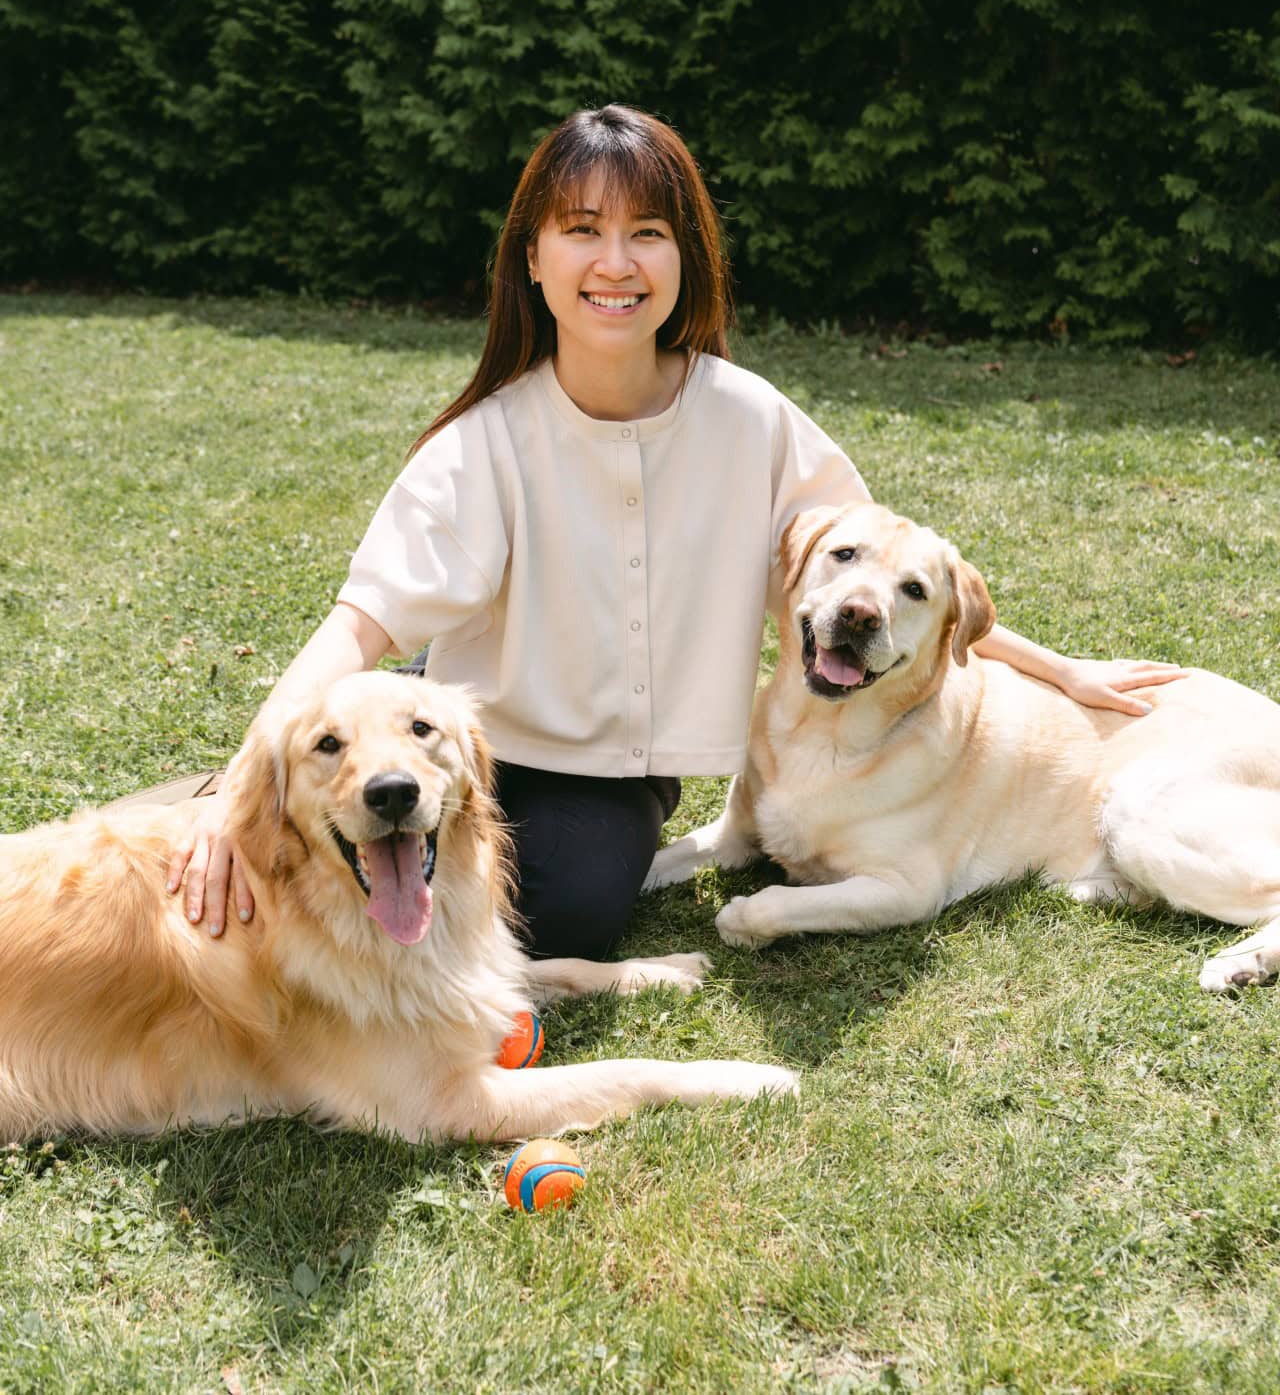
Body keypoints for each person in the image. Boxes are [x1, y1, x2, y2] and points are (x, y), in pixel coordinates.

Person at [167, 104, 1185, 957]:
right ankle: (194, 815)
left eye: (646, 233)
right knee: (292, 851)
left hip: (612, 769)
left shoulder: (752, 421)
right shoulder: (483, 443)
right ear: (533, 256)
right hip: (460, 734)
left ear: (684, 259)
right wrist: (239, 784)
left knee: (565, 914)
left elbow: (874, 589)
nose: (615, 262)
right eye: (580, 230)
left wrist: (1060, 671)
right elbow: (358, 627)